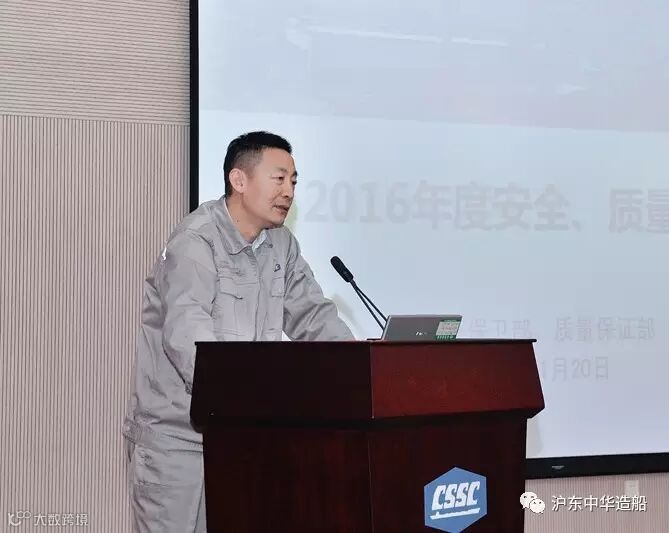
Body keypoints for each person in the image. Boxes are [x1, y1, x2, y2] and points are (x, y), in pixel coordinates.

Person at [122, 131, 355, 532]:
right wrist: (256, 399)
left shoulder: (281, 245)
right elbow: (190, 343)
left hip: (242, 436)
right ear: (239, 180)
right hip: (178, 444)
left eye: (293, 181)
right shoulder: (195, 242)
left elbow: (313, 316)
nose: (289, 192)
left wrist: (357, 368)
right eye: (278, 178)